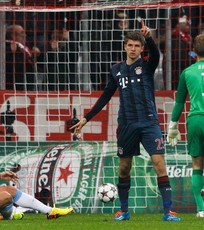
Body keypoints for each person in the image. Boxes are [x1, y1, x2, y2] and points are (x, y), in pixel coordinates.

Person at [70, 20, 181, 221]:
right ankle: (124, 211)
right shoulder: (116, 70)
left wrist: (149, 38)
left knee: (159, 163)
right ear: (124, 46)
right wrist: (86, 118)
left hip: (149, 123)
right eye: (130, 45)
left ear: (141, 48)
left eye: (137, 46)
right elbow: (105, 96)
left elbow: (155, 54)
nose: (133, 48)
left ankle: (168, 212)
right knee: (124, 167)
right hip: (127, 125)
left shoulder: (147, 66)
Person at [167, 34, 204, 218]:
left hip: (196, 120)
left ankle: (202, 209)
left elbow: (179, 102)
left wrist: (173, 126)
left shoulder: (187, 72)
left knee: (197, 164)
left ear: (194, 52)